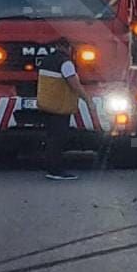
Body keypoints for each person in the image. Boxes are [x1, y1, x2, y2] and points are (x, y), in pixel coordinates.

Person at [36, 37, 90, 180]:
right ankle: (56, 170)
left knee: (51, 138)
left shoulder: (46, 60)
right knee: (58, 139)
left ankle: (50, 167)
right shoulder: (65, 63)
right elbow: (74, 84)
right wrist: (88, 101)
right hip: (60, 106)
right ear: (67, 48)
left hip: (46, 105)